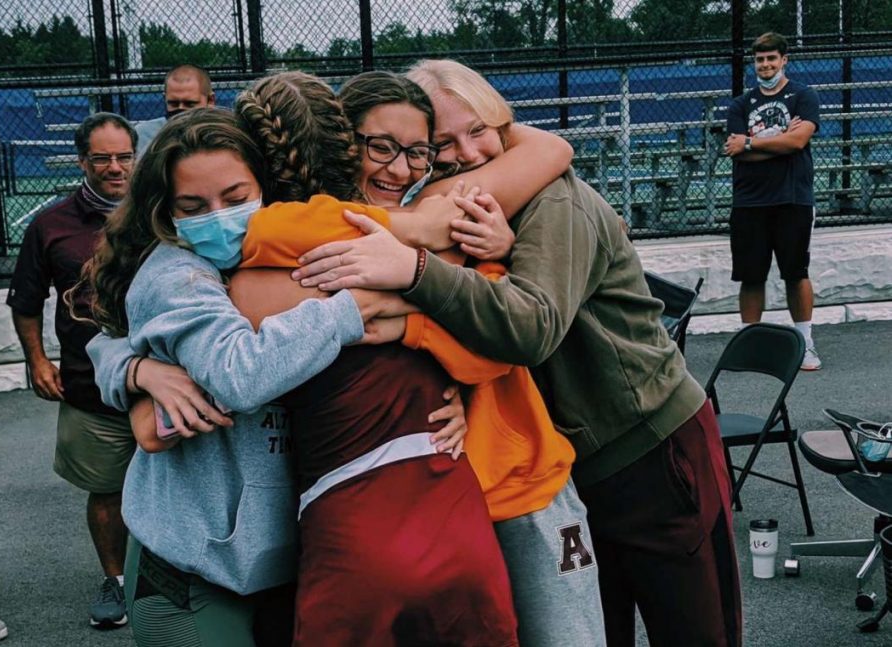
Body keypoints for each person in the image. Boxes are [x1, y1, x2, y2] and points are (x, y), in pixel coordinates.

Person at [293, 58, 742, 647]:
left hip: (647, 449)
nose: (468, 152)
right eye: (444, 143)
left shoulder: (552, 201)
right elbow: (469, 333)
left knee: (694, 633)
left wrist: (414, 272)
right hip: (574, 460)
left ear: (504, 124)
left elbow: (528, 328)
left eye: (478, 130)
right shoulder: (455, 208)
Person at [84, 101, 512, 646]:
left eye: (236, 199)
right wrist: (360, 304)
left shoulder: (289, 249)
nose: (218, 217)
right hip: (195, 568)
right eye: (193, 205)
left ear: (267, 188)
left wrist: (462, 392)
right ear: (165, 213)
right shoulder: (177, 272)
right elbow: (238, 374)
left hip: (286, 559)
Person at [7, 112, 138, 629]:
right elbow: (25, 301)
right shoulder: (52, 224)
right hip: (90, 389)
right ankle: (118, 581)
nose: (114, 167)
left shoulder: (165, 214)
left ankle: (180, 580)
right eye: (102, 158)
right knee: (105, 489)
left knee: (185, 486)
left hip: (169, 384)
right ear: (82, 160)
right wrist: (36, 359)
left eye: (123, 156)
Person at [724, 31, 821, 371]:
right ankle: (749, 348)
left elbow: (798, 143)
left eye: (771, 59)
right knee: (751, 277)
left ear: (784, 60)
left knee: (796, 273)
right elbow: (737, 153)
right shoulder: (741, 104)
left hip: (792, 198)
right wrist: (777, 139)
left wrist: (752, 142)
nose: (765, 65)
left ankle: (805, 345)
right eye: (760, 59)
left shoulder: (803, 96)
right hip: (750, 202)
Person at [135, 64, 216, 155]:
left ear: (210, 100)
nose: (181, 109)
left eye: (190, 104)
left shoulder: (223, 134)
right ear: (165, 98)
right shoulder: (145, 135)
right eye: (173, 104)